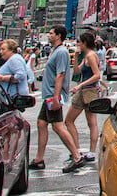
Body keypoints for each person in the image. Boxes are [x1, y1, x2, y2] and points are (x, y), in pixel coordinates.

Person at [29, 26, 86, 173]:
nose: (48, 35)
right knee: (41, 123)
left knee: (57, 126)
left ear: (58, 36)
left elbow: (60, 75)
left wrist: (56, 97)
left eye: (51, 33)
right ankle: (39, 159)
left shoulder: (61, 52)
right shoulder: (55, 50)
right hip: (49, 95)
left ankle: (76, 157)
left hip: (53, 96)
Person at [66, 32, 102, 163]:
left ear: (85, 43)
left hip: (87, 91)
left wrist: (80, 85)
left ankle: (83, 150)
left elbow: (97, 75)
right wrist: (76, 57)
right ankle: (83, 150)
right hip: (87, 91)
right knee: (90, 122)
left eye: (80, 42)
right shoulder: (86, 56)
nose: (78, 45)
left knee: (70, 120)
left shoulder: (91, 56)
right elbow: (76, 72)